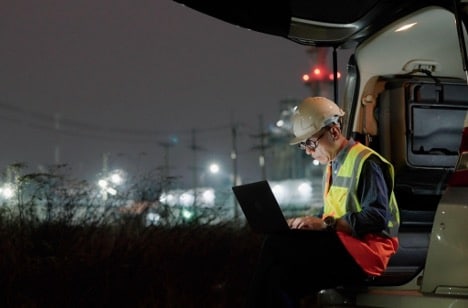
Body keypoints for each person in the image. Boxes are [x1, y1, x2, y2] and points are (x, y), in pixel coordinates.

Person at [245, 96, 400, 307]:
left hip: (368, 253)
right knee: (281, 274)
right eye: (303, 145)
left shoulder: (366, 161)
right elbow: (334, 213)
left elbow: (377, 217)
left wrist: (325, 224)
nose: (308, 151)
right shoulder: (333, 165)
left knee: (277, 249)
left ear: (334, 131)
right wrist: (305, 223)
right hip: (345, 243)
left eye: (310, 143)